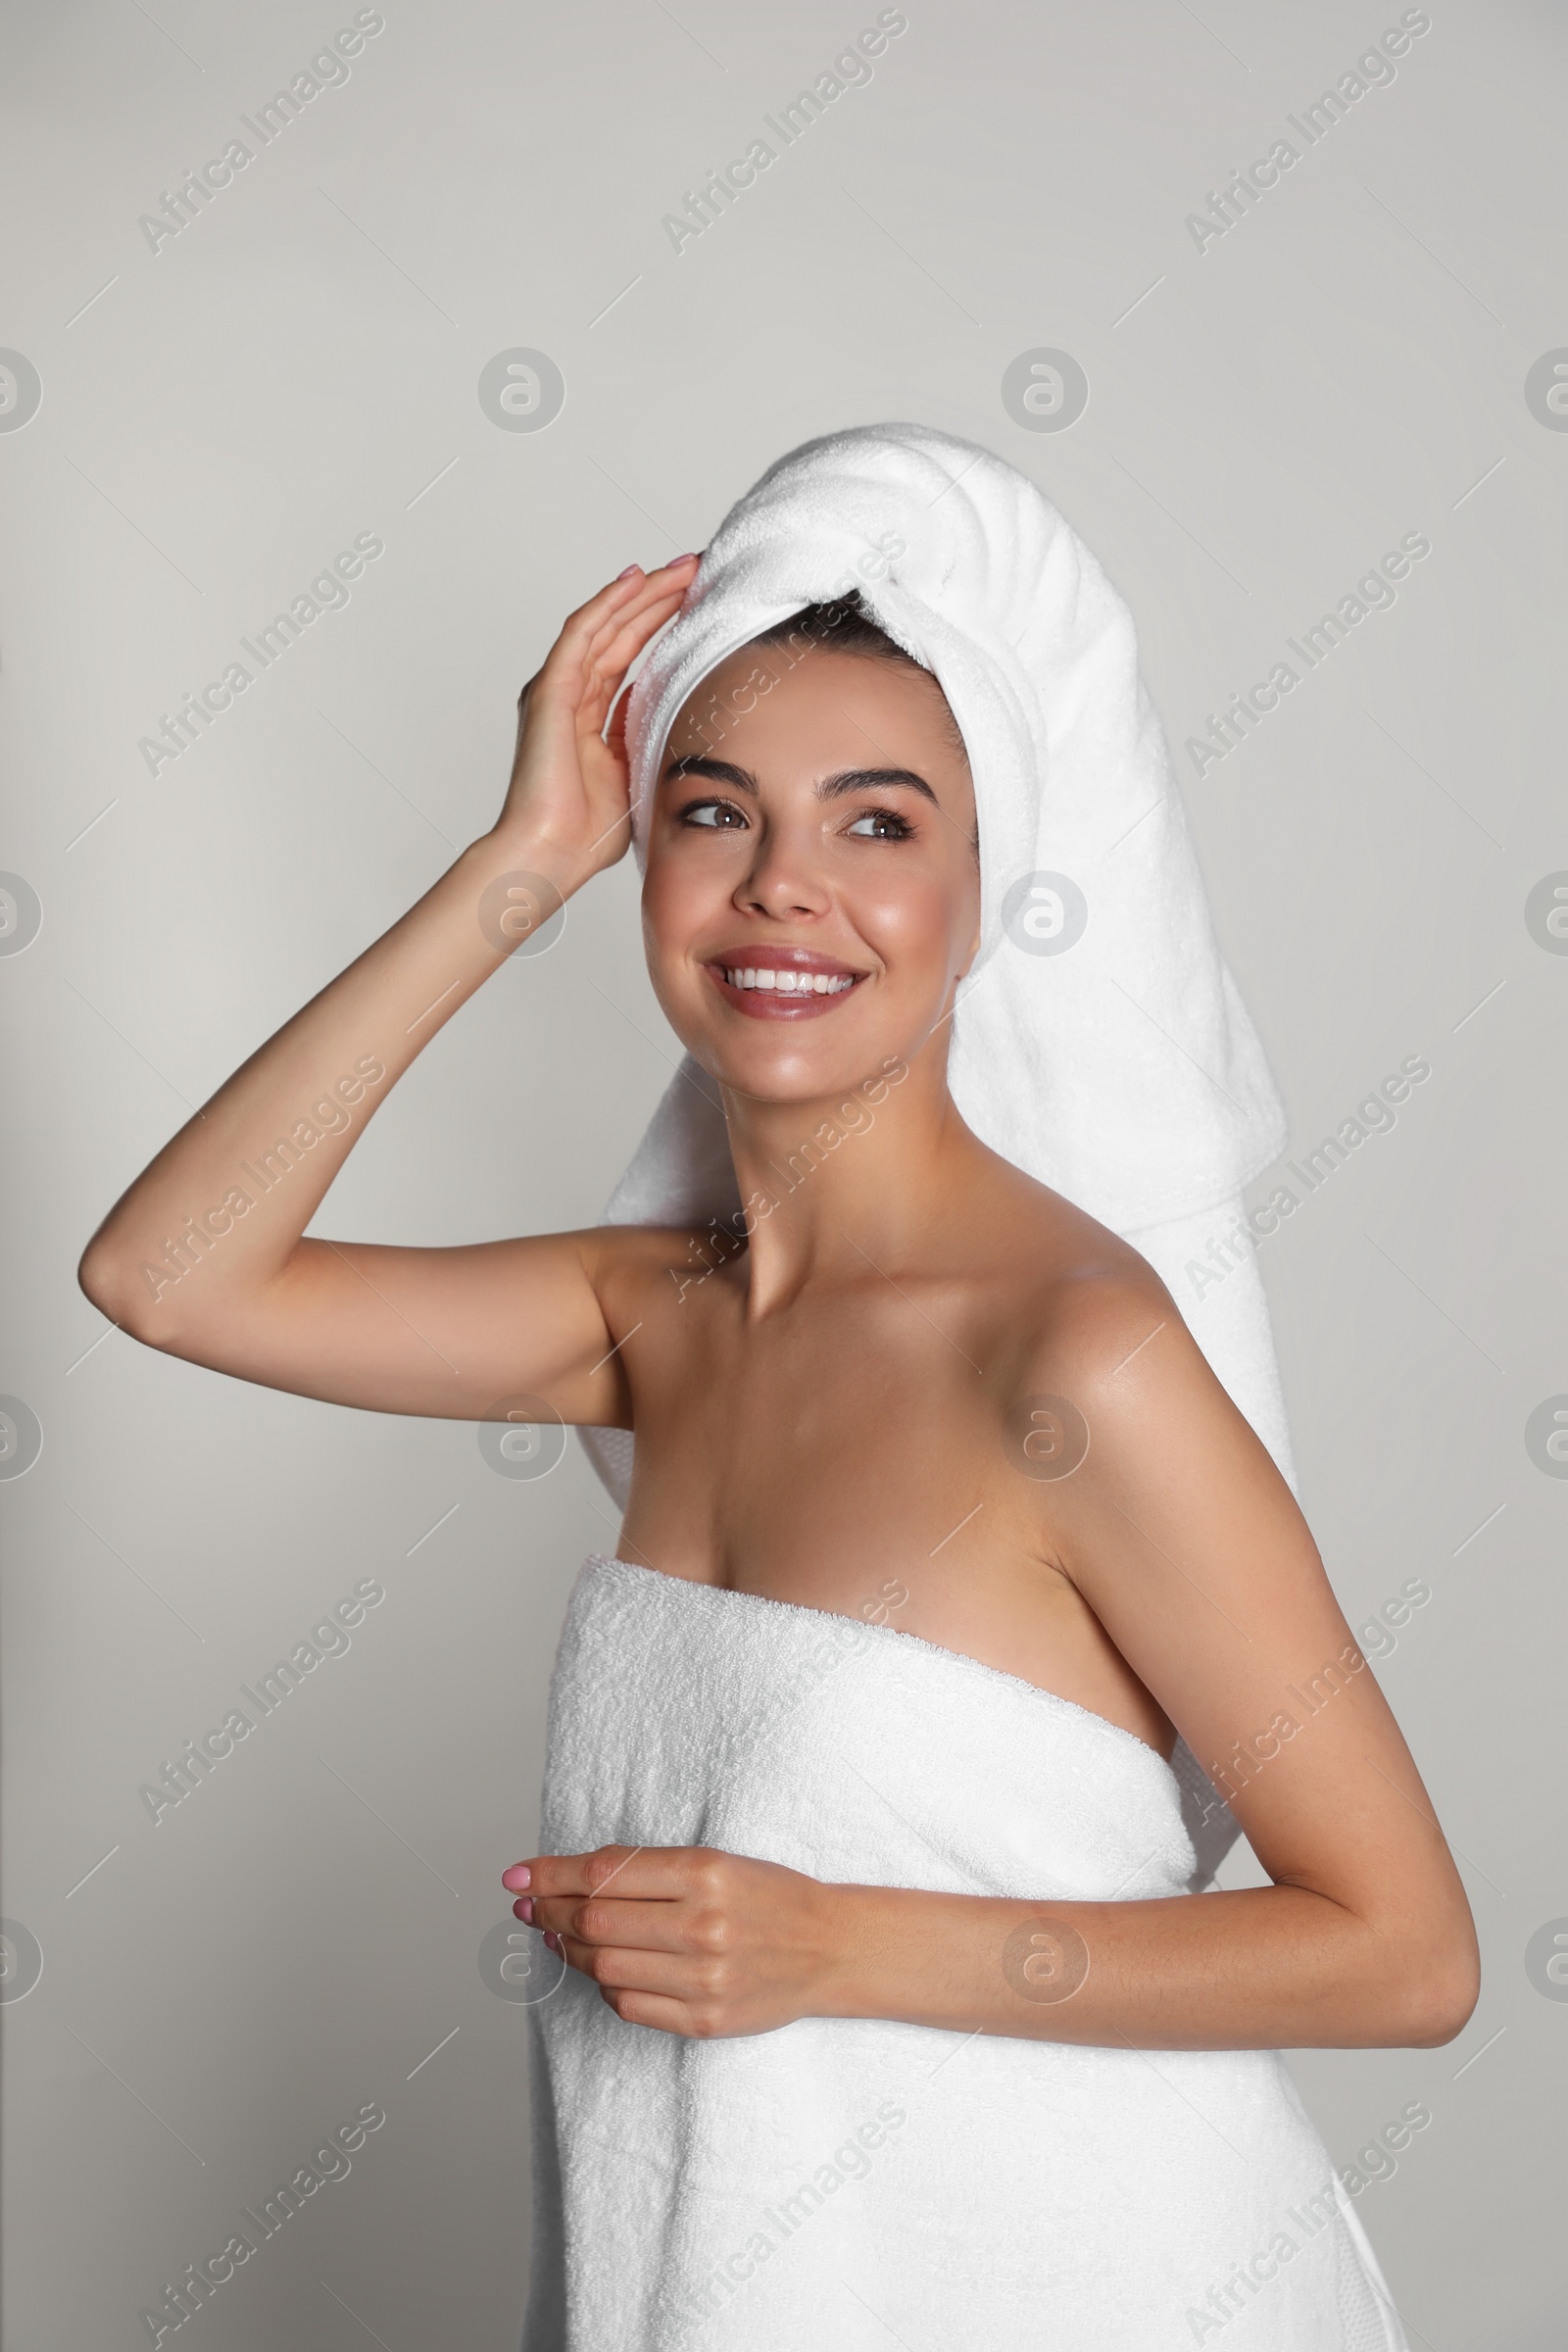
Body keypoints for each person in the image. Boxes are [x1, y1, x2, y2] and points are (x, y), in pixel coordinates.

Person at [79, 444, 1478, 2349]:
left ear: (999, 885)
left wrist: (836, 1944)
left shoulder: (1071, 1356)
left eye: (878, 824)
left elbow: (1402, 1954)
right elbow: (169, 1278)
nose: (780, 893)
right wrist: (514, 871)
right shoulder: (647, 1316)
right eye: (713, 813)